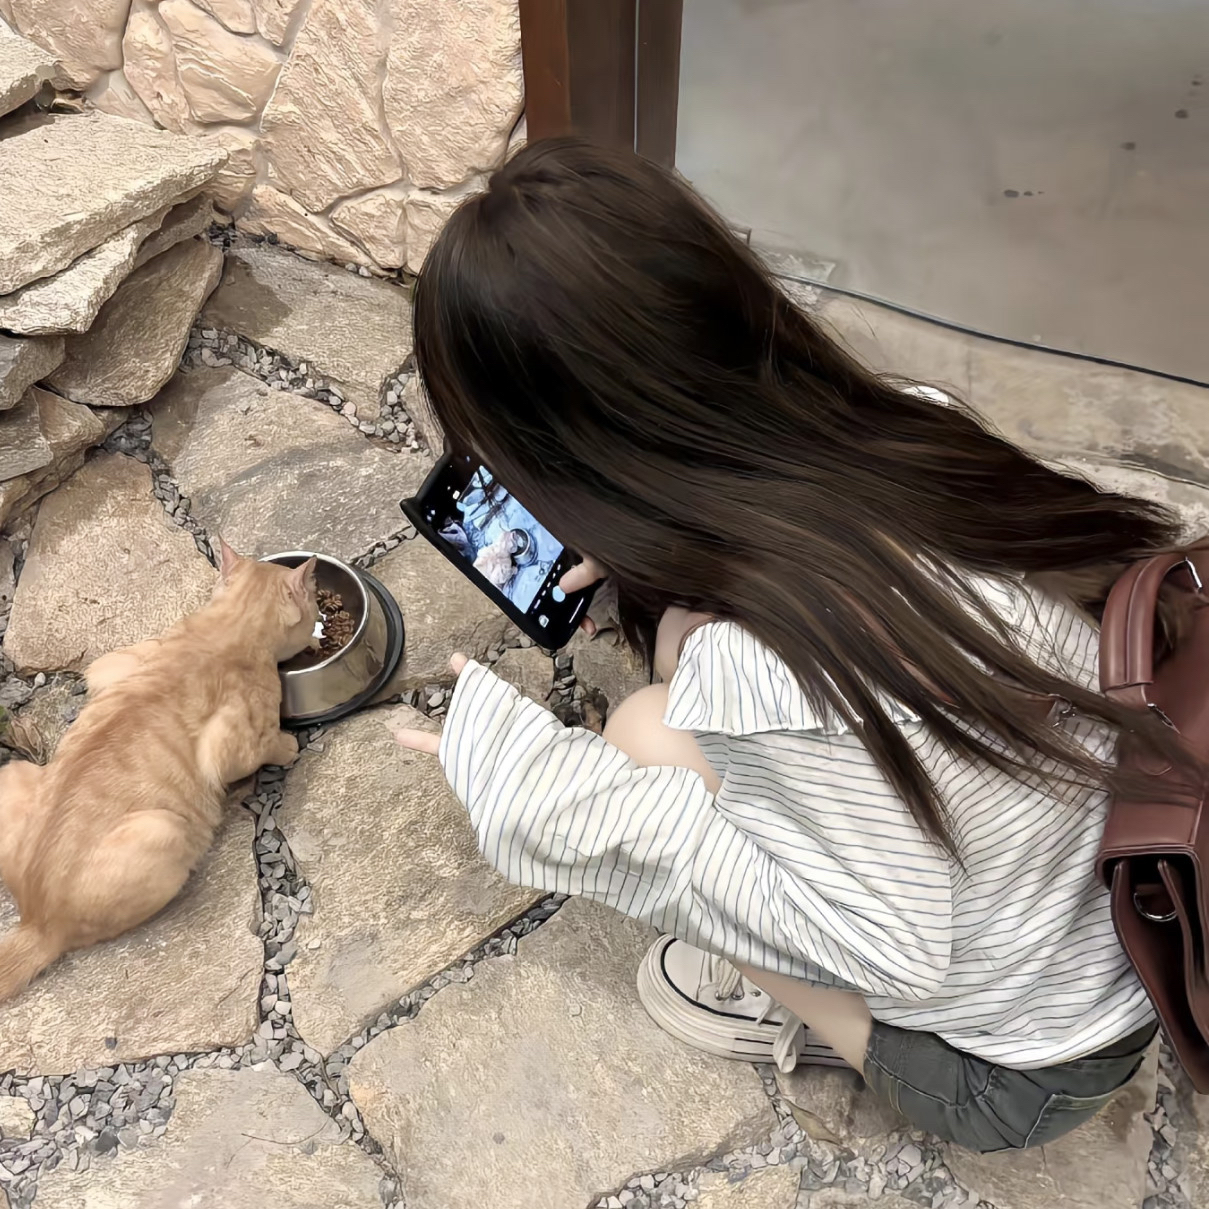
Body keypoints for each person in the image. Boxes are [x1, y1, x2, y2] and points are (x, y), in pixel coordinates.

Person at [395, 137, 1192, 1152]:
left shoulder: (761, 669)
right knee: (688, 683)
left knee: (647, 736)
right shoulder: (911, 425)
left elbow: (896, 953)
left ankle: (820, 1030)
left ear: (557, 457)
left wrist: (557, 794)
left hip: (1030, 1070)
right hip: (1129, 914)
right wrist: (658, 569)